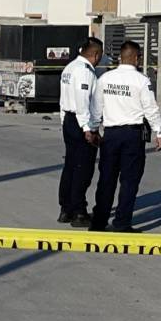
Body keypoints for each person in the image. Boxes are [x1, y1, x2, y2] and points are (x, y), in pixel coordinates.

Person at [90, 41, 161, 232]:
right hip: (132, 135)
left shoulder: (105, 78)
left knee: (106, 179)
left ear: (120, 57)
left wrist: (92, 129)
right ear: (136, 58)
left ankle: (98, 221)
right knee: (129, 181)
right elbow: (150, 108)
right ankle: (122, 223)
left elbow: (96, 108)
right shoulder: (141, 80)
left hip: (111, 134)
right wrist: (159, 131)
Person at [57, 37, 103, 227]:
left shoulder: (69, 67)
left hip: (69, 119)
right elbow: (83, 101)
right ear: (95, 55)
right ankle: (78, 212)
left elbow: (63, 98)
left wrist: (64, 120)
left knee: (70, 165)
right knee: (82, 169)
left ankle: (66, 209)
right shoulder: (85, 73)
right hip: (80, 122)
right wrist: (88, 128)